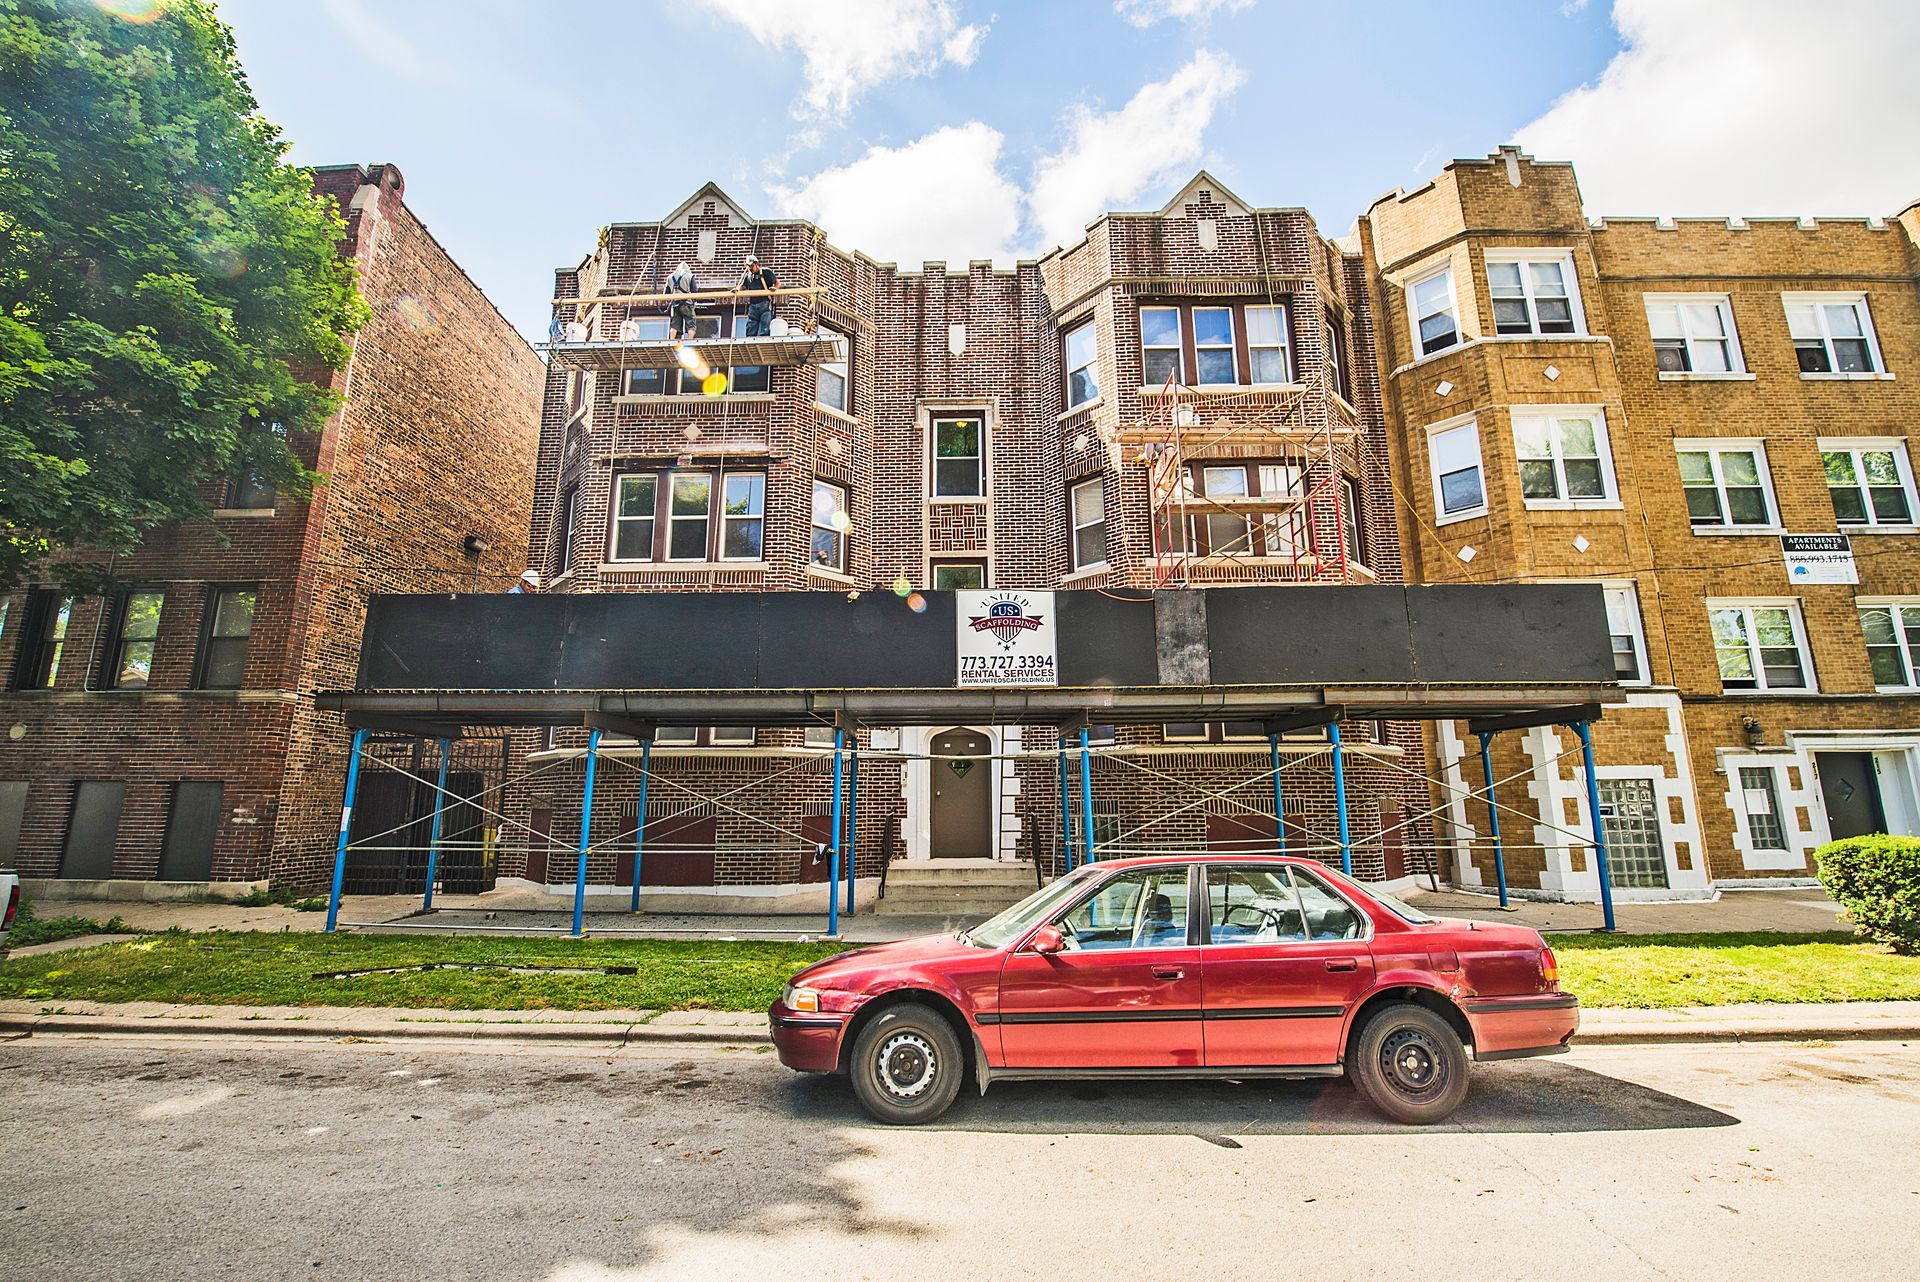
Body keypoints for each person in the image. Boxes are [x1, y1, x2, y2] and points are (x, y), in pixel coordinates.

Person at [739, 253, 778, 337]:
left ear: (757, 264)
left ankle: (763, 339)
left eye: (751, 266)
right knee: (751, 325)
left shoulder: (766, 272)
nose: (750, 268)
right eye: (748, 266)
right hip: (753, 304)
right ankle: (750, 340)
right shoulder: (748, 276)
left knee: (765, 324)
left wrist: (774, 289)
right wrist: (736, 290)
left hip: (764, 303)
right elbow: (743, 286)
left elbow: (777, 283)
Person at [667, 260, 697, 340]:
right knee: (690, 323)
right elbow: (694, 291)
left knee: (674, 324)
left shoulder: (670, 277)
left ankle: (672, 340)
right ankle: (690, 340)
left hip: (675, 304)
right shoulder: (690, 276)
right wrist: (694, 301)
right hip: (687, 303)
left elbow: (666, 293)